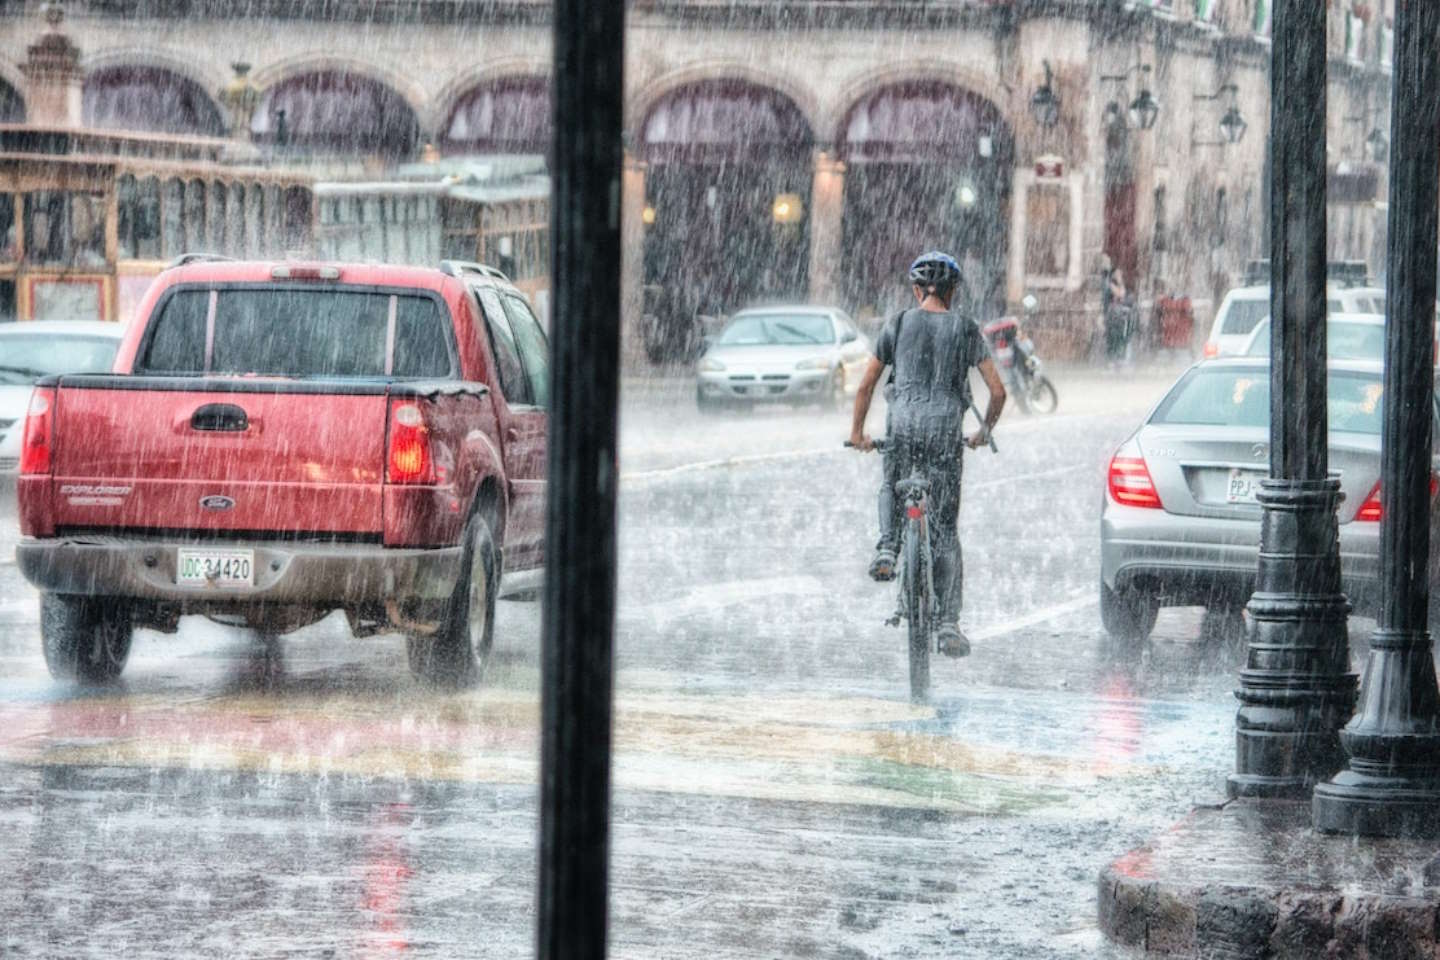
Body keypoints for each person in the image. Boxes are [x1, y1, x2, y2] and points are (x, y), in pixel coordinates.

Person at [847, 251, 1007, 658]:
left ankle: (887, 546)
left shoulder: (898, 323)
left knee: (891, 481)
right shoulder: (966, 328)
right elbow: (998, 391)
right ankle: (949, 623)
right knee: (945, 532)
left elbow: (866, 386)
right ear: (952, 292)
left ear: (917, 290)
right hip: (944, 433)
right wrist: (982, 431)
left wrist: (858, 433)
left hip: (902, 427)